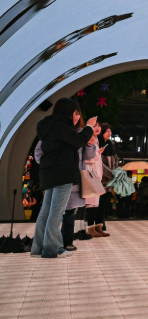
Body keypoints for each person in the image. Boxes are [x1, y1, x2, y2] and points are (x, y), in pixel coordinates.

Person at [31, 98, 100, 258]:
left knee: (46, 211)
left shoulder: (49, 126)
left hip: (50, 174)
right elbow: (77, 141)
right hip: (63, 174)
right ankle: (52, 249)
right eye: (73, 112)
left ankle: (38, 248)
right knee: (56, 212)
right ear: (66, 111)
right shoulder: (63, 126)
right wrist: (89, 126)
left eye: (78, 113)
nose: (75, 116)